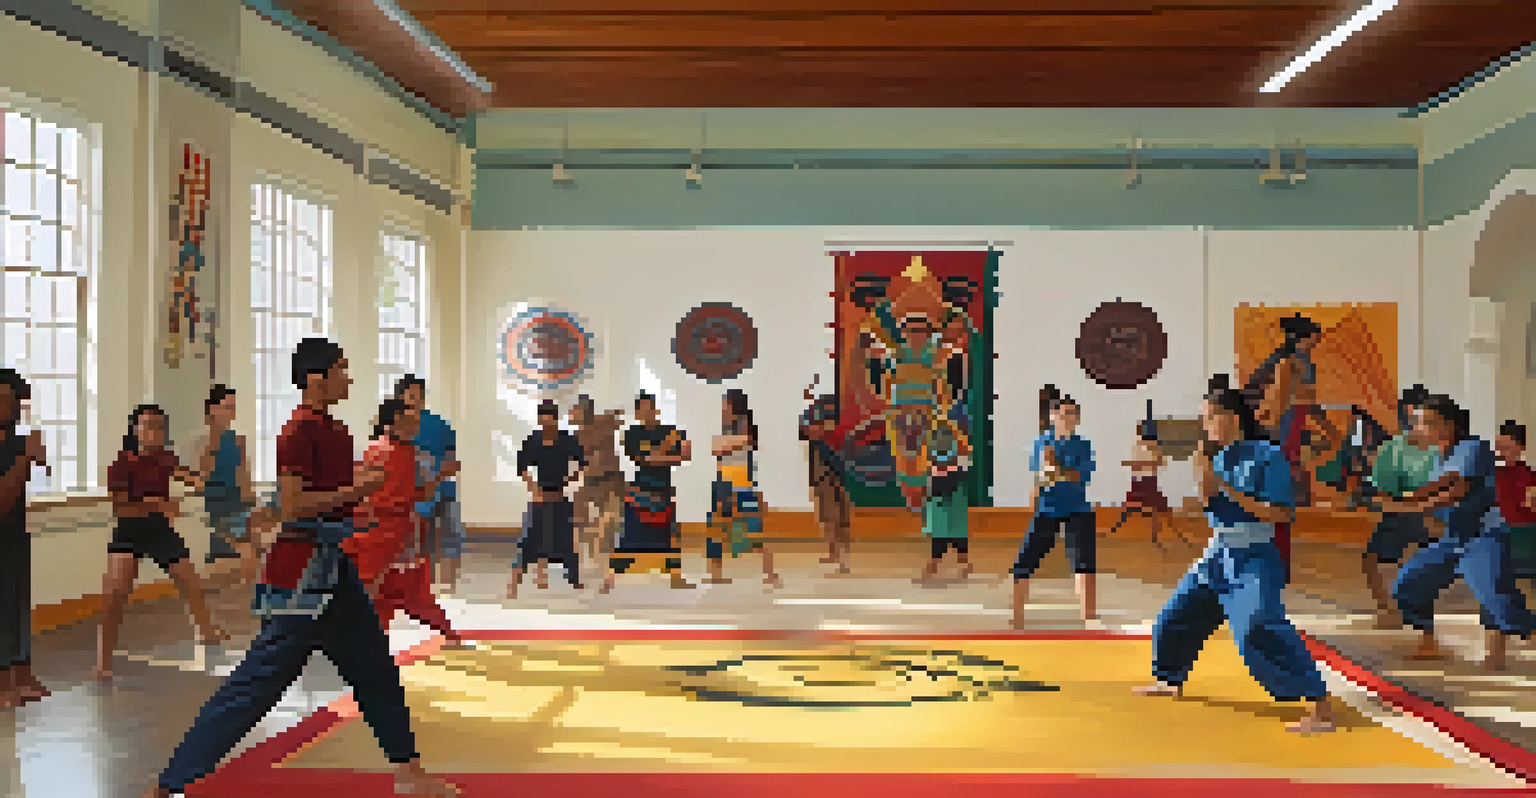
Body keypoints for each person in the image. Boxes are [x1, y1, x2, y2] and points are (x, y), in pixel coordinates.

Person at [144, 338, 454, 798]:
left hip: (335, 571)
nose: (348, 379)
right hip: (303, 580)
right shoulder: (297, 432)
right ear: (316, 378)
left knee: (376, 670)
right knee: (255, 688)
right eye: (342, 371)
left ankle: (408, 773)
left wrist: (357, 499)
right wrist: (356, 492)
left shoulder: (338, 430)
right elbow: (293, 505)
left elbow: (321, 498)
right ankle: (169, 783)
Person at [1134, 376, 1335, 734]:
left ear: (1231, 417)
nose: (1205, 426)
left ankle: (1320, 705)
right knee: (1174, 617)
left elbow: (1280, 514)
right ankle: (1168, 679)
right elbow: (1211, 503)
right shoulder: (1216, 455)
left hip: (1255, 554)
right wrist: (1203, 475)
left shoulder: (1267, 455)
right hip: (1218, 554)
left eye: (1209, 418)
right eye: (1203, 419)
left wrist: (1225, 488)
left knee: (1258, 624)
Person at [1389, 395, 1535, 671]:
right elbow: (1439, 496)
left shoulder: (1473, 447)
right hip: (1453, 539)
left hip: (1484, 537)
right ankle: (1428, 642)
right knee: (1407, 585)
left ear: (1448, 425)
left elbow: (1455, 487)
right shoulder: (1437, 457)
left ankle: (1526, 636)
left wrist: (1406, 501)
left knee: (1494, 595)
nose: (1417, 428)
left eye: (1424, 422)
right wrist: (1422, 512)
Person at [97, 405, 227, 681]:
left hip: (159, 530)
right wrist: (156, 503)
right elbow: (121, 508)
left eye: (158, 425)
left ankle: (208, 632)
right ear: (136, 429)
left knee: (190, 581)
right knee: (115, 596)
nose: (154, 431)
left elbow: (196, 481)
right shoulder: (122, 463)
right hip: (130, 531)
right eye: (147, 425)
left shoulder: (166, 459)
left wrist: (209, 456)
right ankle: (103, 661)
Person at [346, 397, 461, 645]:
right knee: (390, 588)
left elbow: (415, 492)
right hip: (385, 530)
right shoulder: (389, 451)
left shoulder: (393, 450)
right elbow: (417, 493)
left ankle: (366, 640)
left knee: (391, 588)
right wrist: (442, 474)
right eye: (411, 420)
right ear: (396, 420)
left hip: (391, 529)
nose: (416, 425)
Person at [1243, 313, 1324, 580]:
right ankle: (1273, 565)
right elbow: (1276, 407)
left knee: (1281, 500)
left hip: (1290, 433)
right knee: (1276, 498)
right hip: (1282, 436)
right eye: (1314, 336)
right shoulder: (1287, 363)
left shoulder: (1299, 362)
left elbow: (1305, 402)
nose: (1317, 341)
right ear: (1302, 338)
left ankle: (1275, 564)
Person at [1012, 391, 1097, 629]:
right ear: (1052, 416)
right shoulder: (1041, 443)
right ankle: (1017, 617)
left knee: (1084, 565)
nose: (1067, 418)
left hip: (1077, 509)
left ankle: (1089, 619)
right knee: (1023, 563)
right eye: (1062, 413)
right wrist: (1035, 497)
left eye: (1072, 414)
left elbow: (1080, 476)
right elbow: (1038, 477)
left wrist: (1056, 469)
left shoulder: (1083, 445)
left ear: (1078, 418)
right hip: (1047, 509)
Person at [1361, 386, 1437, 628]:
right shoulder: (1394, 447)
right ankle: (1390, 608)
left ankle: (1396, 609)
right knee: (1374, 559)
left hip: (1429, 513)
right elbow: (1382, 490)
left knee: (1378, 560)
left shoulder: (1440, 447)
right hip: (1405, 511)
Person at [605, 392, 692, 593]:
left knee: (669, 537)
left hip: (663, 491)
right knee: (628, 537)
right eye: (642, 409)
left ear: (656, 409)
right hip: (639, 492)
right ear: (637, 413)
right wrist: (668, 454)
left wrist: (661, 455)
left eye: (650, 408)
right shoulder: (631, 434)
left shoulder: (670, 430)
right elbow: (644, 460)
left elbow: (686, 453)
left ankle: (676, 577)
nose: (647, 412)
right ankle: (611, 578)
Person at [0, 369, 48, 708]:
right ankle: (4, 685)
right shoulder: (16, 449)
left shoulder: (17, 441)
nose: (7, 406)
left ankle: (24, 675)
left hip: (15, 534)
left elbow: (36, 478)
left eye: (12, 400)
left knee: (18, 605)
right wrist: (24, 458)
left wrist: (35, 456)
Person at [394, 376, 463, 593]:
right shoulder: (395, 427)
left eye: (420, 395)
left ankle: (449, 585)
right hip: (413, 495)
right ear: (400, 396)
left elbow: (453, 460)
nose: (417, 399)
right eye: (411, 394)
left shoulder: (439, 424)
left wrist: (439, 475)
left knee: (450, 536)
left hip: (443, 490)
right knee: (420, 542)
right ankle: (424, 585)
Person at [511, 399, 586, 596]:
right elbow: (522, 466)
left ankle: (574, 578)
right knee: (529, 539)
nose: (546, 425)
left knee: (566, 538)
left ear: (556, 420)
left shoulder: (566, 440)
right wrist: (533, 488)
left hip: (560, 495)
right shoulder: (533, 440)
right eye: (543, 421)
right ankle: (516, 580)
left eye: (550, 421)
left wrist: (571, 480)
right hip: (540, 496)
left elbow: (582, 462)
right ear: (539, 421)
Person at [705, 389, 778, 587]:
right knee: (716, 530)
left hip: (741, 486)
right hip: (723, 484)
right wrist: (723, 444)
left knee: (754, 531)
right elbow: (716, 448)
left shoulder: (746, 427)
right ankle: (715, 574)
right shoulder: (727, 429)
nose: (723, 409)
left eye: (726, 405)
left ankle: (771, 573)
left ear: (734, 406)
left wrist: (724, 444)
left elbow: (725, 446)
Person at [197, 385, 256, 571]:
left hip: (235, 503)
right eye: (227, 407)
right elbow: (202, 477)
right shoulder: (201, 441)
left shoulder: (239, 441)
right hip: (211, 506)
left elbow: (243, 477)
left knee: (250, 548)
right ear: (213, 409)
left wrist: (250, 509)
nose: (232, 413)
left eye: (234, 407)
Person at [569, 396, 626, 565]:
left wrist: (611, 418)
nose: (571, 414)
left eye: (575, 410)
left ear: (584, 412)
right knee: (581, 519)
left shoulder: (601, 424)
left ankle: (604, 558)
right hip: (591, 482)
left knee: (609, 521)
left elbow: (617, 419)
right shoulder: (579, 434)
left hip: (610, 481)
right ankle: (590, 555)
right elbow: (583, 460)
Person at [801, 389, 852, 575]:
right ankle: (833, 552)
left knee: (837, 516)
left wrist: (814, 428)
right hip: (820, 473)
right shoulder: (813, 414)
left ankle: (843, 558)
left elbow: (816, 432)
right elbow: (805, 431)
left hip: (834, 473)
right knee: (825, 515)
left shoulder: (835, 418)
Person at [918, 420, 972, 583]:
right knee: (952, 531)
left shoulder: (935, 453)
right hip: (947, 494)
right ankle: (958, 564)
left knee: (947, 531)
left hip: (947, 494)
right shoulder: (957, 451)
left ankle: (938, 565)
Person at [1109, 419, 1171, 544]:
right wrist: (1137, 464)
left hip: (1150, 483)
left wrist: (1149, 461)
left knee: (1157, 505)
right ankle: (1118, 526)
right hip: (1138, 483)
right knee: (1130, 503)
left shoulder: (1157, 449)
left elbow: (1160, 464)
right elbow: (1135, 465)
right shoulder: (1137, 448)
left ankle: (1158, 533)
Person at [1495, 420, 1536, 581]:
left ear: (1521, 448)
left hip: (1523, 536)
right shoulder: (1489, 474)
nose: (1500, 451)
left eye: (1506, 447)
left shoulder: (1530, 477)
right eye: (1499, 446)